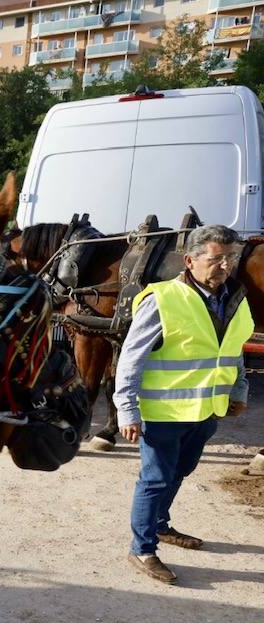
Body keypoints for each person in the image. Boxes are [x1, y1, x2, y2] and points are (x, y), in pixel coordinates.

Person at [114, 224, 254, 584]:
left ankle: (160, 525)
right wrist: (126, 409)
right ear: (190, 261)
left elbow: (233, 349)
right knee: (156, 479)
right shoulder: (164, 299)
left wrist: (237, 391)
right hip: (162, 412)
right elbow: (131, 358)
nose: (224, 266)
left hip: (206, 411)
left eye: (230, 258)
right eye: (216, 259)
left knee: (180, 471)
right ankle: (142, 550)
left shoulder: (234, 298)